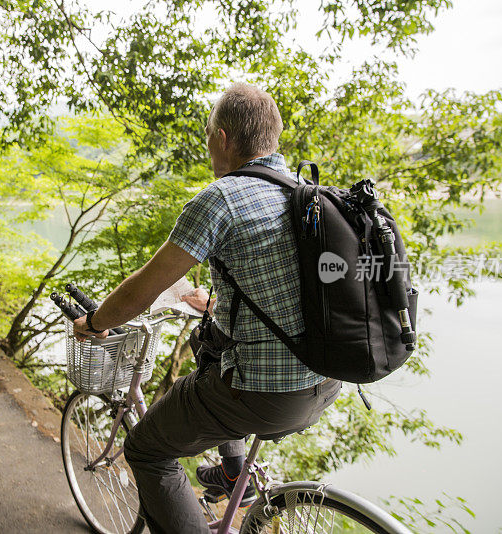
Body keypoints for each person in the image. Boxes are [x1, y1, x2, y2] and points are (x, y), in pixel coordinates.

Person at [73, 83, 341, 533]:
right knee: (209, 356)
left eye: (208, 137)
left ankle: (224, 476)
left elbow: (143, 288)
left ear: (222, 139)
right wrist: (214, 303)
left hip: (263, 393)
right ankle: (234, 473)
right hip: (327, 382)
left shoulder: (222, 197)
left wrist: (96, 321)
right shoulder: (308, 194)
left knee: (147, 449)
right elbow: (285, 292)